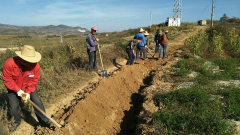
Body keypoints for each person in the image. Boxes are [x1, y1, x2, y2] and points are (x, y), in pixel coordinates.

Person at [2, 45, 52, 132]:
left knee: (37, 101)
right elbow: (7, 79)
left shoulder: (36, 66)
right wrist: (19, 92)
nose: (29, 63)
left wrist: (28, 92)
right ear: (21, 58)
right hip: (13, 88)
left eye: (31, 61)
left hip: (28, 86)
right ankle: (16, 122)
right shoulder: (9, 63)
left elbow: (33, 80)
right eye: (27, 61)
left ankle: (44, 121)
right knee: (13, 108)